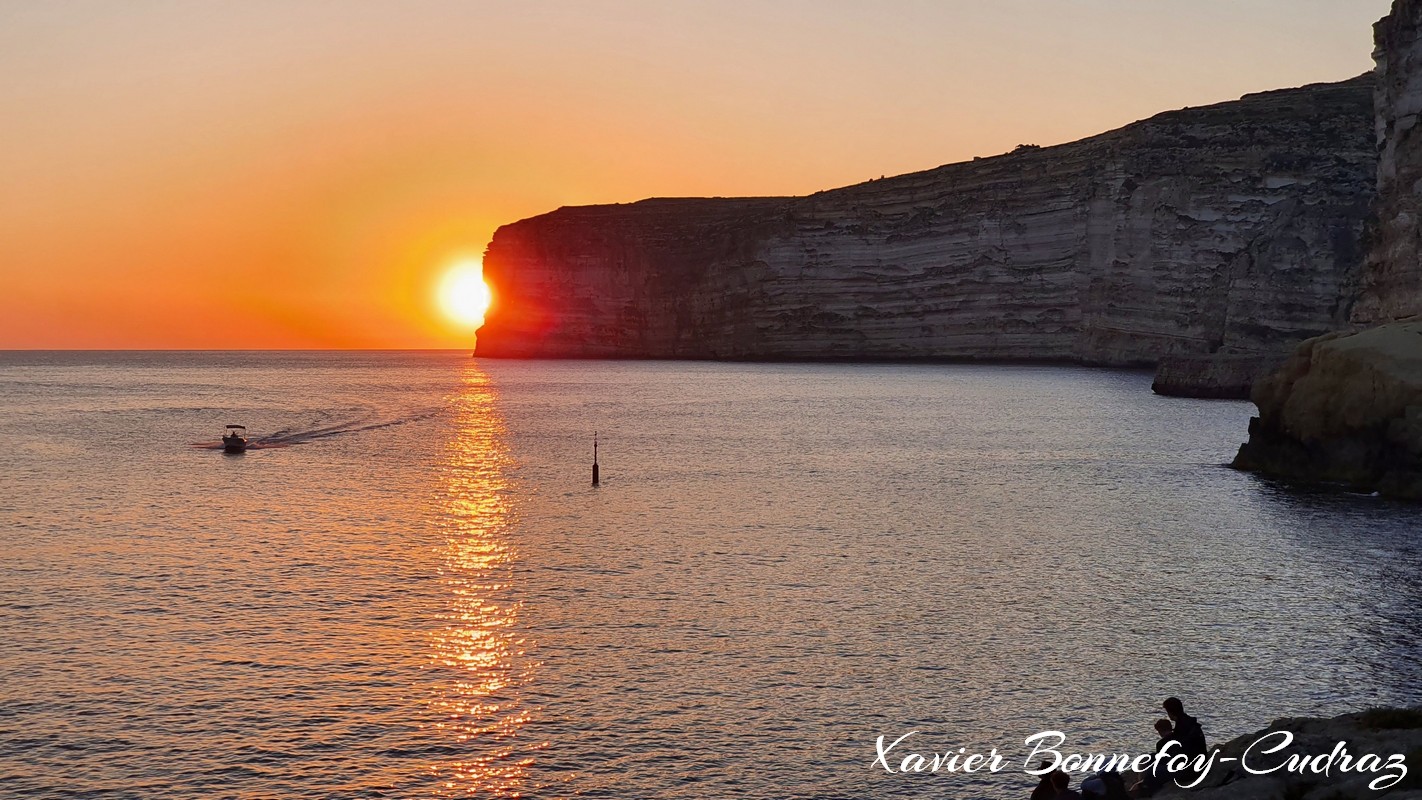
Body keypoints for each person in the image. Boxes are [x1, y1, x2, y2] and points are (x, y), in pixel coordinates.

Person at [1163, 697, 1207, 761]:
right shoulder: (1188, 723)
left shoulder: (1183, 727)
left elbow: (1180, 750)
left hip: (1190, 766)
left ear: (1170, 712)